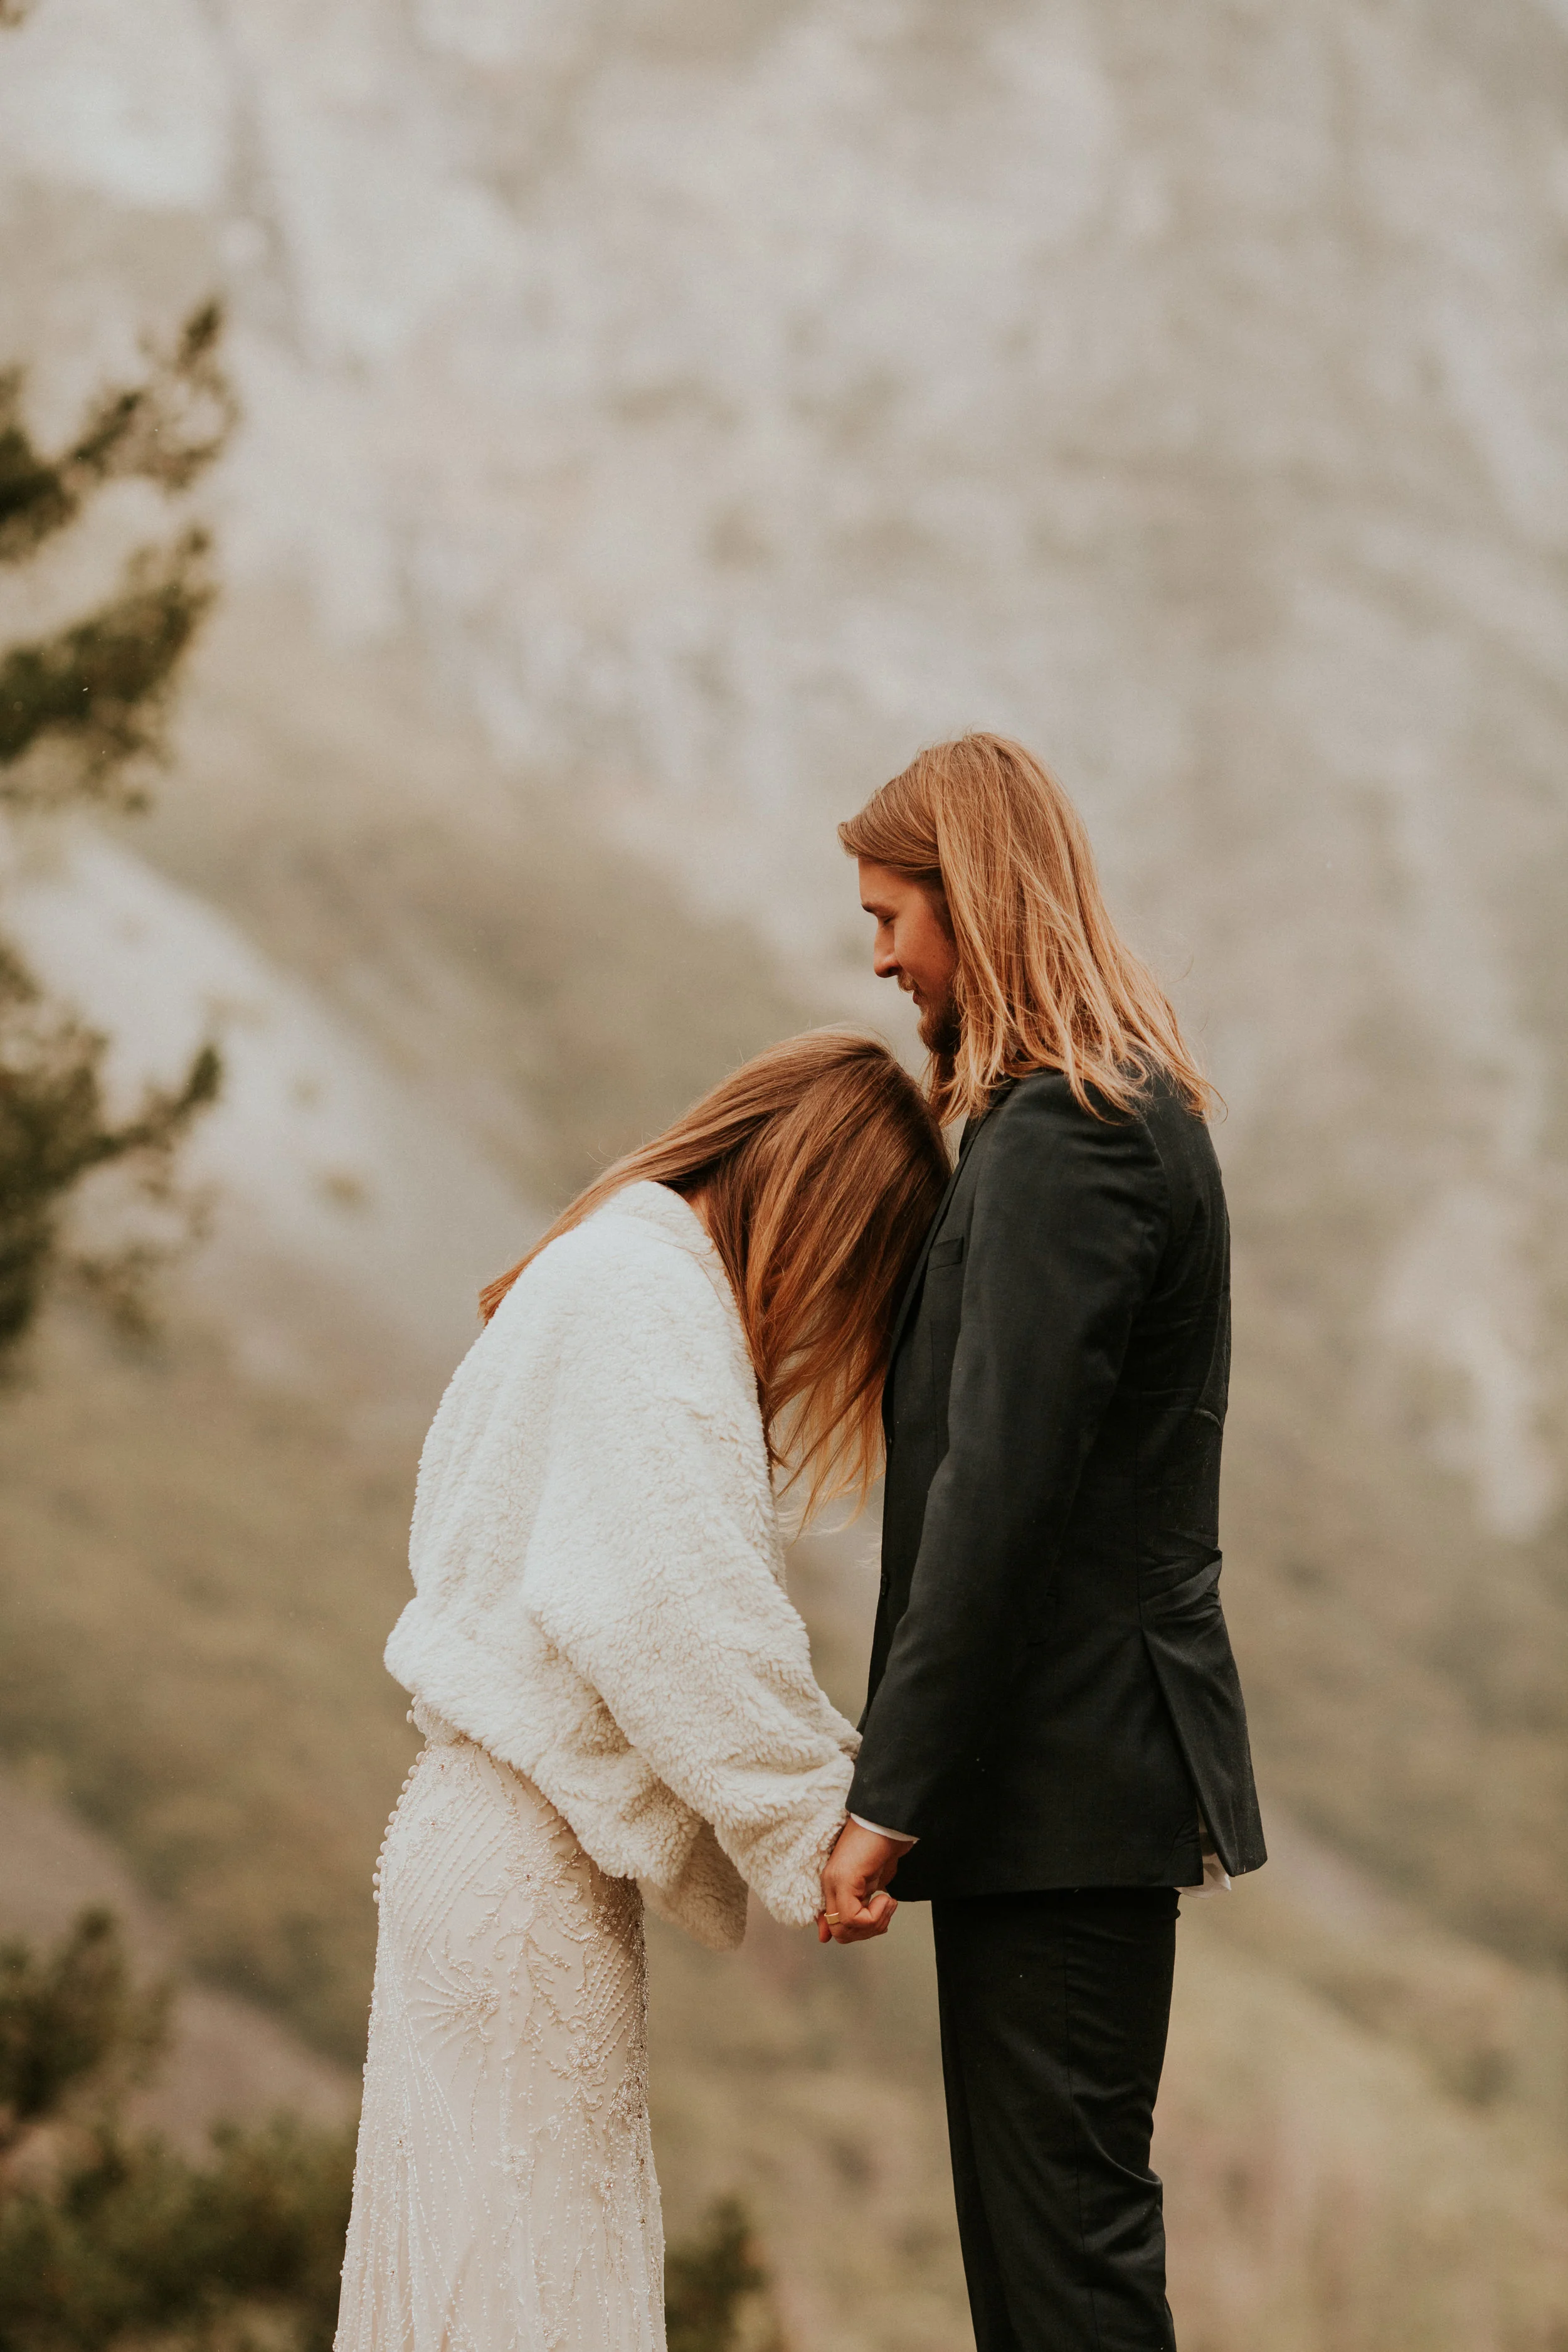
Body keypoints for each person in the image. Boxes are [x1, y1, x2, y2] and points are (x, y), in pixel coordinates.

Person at [336, 1030, 949, 2352]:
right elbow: (668, 1607)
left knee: (491, 2272)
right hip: (519, 1879)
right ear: (828, 1216)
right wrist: (821, 1828)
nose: (841, 1316)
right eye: (863, 1272)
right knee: (525, 2285)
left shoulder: (610, 1265)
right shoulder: (646, 1296)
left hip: (495, 1851)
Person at [818, 734, 1266, 2352]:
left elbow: (995, 1501)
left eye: (891, 915)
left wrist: (890, 1797)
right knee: (1048, 2264)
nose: (878, 957)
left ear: (974, 900)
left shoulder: (1062, 1135)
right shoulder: (1101, 1113)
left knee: (1060, 2274)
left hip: (1060, 1782)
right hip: (1073, 1782)